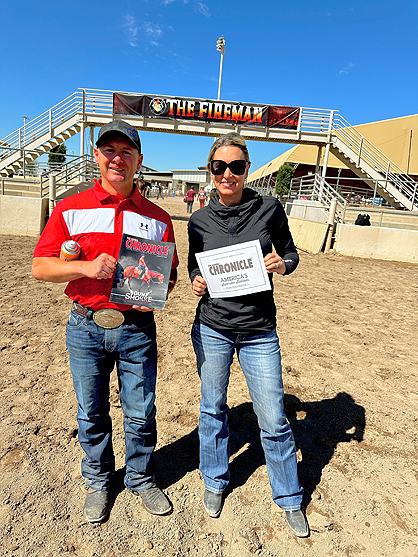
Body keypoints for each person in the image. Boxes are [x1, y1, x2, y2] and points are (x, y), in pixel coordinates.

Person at [31, 119, 179, 524]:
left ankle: (141, 477)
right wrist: (84, 267)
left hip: (137, 329)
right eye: (109, 150)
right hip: (85, 326)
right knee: (91, 413)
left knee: (141, 411)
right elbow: (40, 267)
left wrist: (157, 293)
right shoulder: (70, 208)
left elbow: (170, 275)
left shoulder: (158, 218)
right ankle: (98, 482)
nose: (118, 158)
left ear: (139, 161)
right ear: (97, 156)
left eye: (126, 151)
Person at [188, 132, 309, 537]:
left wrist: (282, 264)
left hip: (259, 330)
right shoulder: (199, 220)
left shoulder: (269, 208)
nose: (228, 174)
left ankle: (289, 497)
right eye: (219, 166)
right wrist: (196, 280)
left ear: (247, 169)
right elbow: (194, 264)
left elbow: (291, 253)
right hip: (213, 327)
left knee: (273, 417)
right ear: (211, 170)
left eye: (236, 166)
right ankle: (214, 481)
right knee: (212, 409)